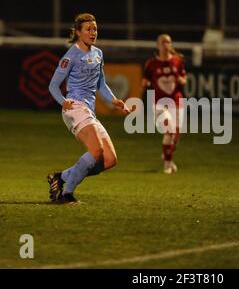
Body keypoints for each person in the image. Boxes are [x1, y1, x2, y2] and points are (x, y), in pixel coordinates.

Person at [48, 13, 131, 204]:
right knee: (96, 150)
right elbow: (53, 85)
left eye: (95, 29)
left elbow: (101, 83)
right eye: (88, 29)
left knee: (109, 160)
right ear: (78, 32)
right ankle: (66, 194)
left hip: (89, 111)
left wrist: (114, 100)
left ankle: (60, 177)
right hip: (75, 107)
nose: (93, 32)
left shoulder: (98, 53)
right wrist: (63, 101)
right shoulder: (71, 55)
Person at [142, 34, 187, 174]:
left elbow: (184, 79)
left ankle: (168, 154)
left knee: (176, 135)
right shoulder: (151, 63)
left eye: (168, 42)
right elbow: (144, 81)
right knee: (169, 128)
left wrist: (180, 80)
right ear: (158, 45)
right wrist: (145, 85)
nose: (166, 44)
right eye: (163, 42)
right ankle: (167, 165)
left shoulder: (177, 61)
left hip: (176, 100)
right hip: (159, 102)